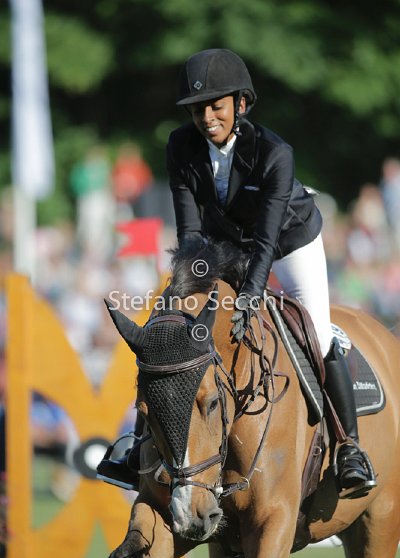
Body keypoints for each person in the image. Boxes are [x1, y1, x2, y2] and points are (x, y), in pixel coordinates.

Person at [97, 48, 376, 499]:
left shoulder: (274, 152)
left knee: (320, 334)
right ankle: (139, 446)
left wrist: (248, 297)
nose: (207, 117)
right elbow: (190, 234)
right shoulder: (179, 146)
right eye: (198, 109)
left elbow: (265, 242)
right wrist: (184, 292)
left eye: (216, 106)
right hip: (222, 245)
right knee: (167, 326)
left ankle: (350, 447)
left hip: (288, 242)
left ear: (241, 104)